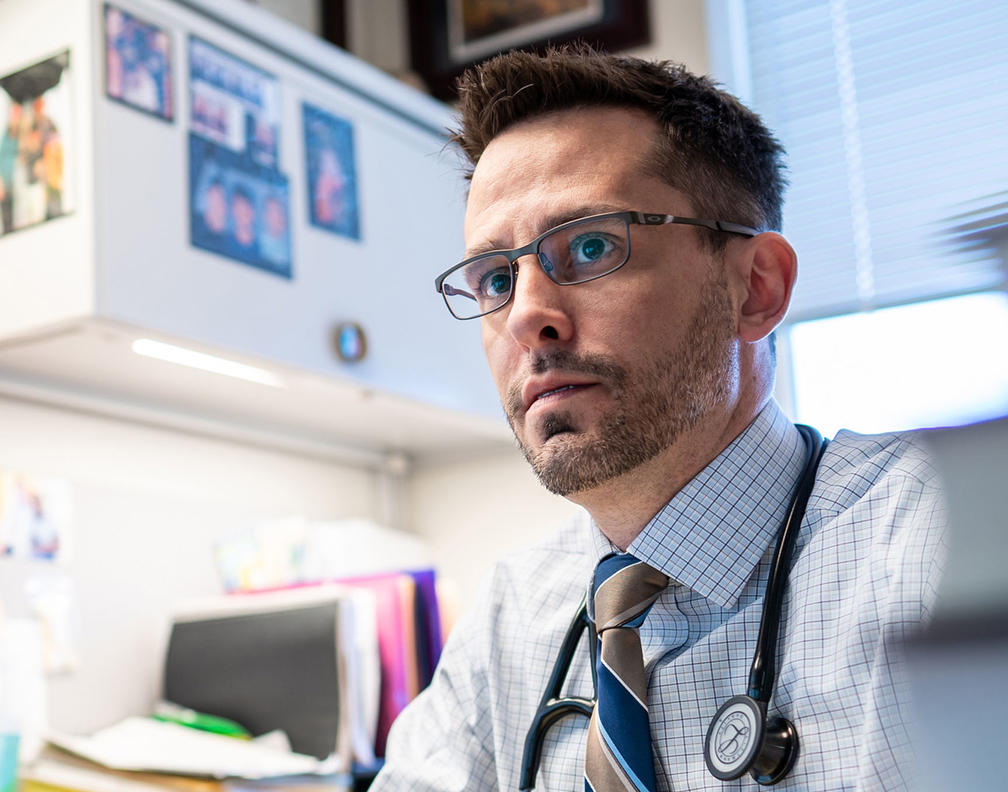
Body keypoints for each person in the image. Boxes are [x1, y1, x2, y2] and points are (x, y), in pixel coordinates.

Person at [372, 46, 944, 791]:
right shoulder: (515, 615)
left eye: (590, 245)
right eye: (497, 278)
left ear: (756, 288)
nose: (527, 317)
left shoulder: (936, 546)